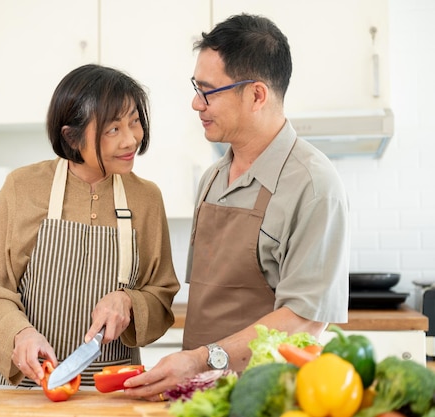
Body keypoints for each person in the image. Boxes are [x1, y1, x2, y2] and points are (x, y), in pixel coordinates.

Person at [124, 13, 350, 401]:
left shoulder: (313, 185)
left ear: (257, 95)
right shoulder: (212, 178)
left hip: (269, 399)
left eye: (208, 90)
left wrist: (200, 361)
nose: (196, 103)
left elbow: (304, 321)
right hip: (199, 397)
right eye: (196, 87)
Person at [0, 64, 180, 387]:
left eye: (135, 122)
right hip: (28, 389)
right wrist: (20, 334)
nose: (131, 140)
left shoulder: (147, 198)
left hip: (112, 390)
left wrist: (129, 301)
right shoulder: (22, 187)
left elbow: (162, 293)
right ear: (72, 136)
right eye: (113, 129)